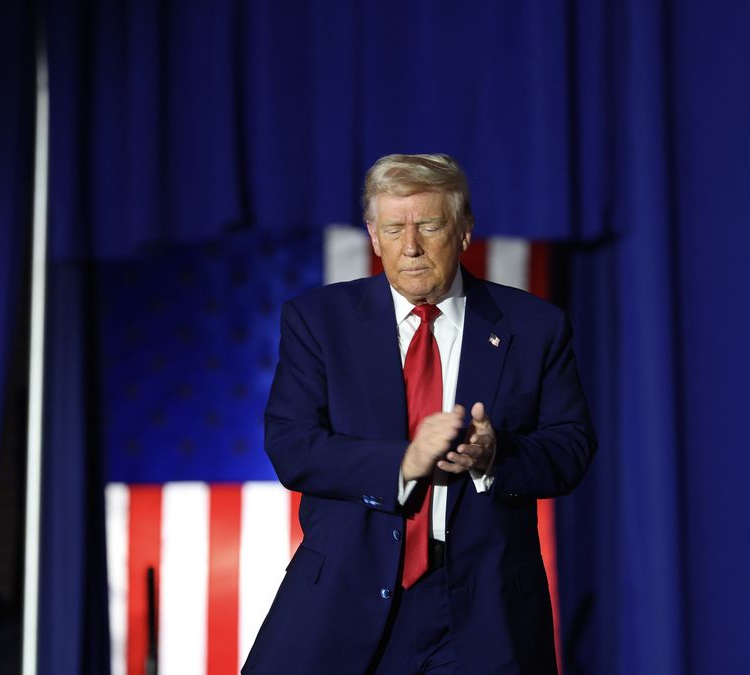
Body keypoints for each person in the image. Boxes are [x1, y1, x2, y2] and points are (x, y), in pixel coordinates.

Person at [243, 153, 596, 674]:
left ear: (464, 231)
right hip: (346, 597)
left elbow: (571, 448)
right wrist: (405, 465)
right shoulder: (319, 321)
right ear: (372, 233)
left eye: (429, 226)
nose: (410, 247)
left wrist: (494, 455)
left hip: (484, 608)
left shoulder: (535, 326)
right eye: (393, 229)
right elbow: (293, 447)